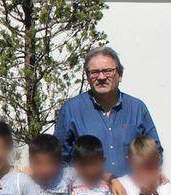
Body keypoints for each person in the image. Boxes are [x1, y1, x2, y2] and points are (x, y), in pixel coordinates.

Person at [55, 45, 161, 178]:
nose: (101, 77)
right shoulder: (71, 109)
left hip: (133, 194)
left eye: (107, 71)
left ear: (120, 75)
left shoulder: (137, 108)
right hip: (88, 194)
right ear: (87, 77)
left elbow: (155, 152)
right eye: (94, 72)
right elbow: (60, 159)